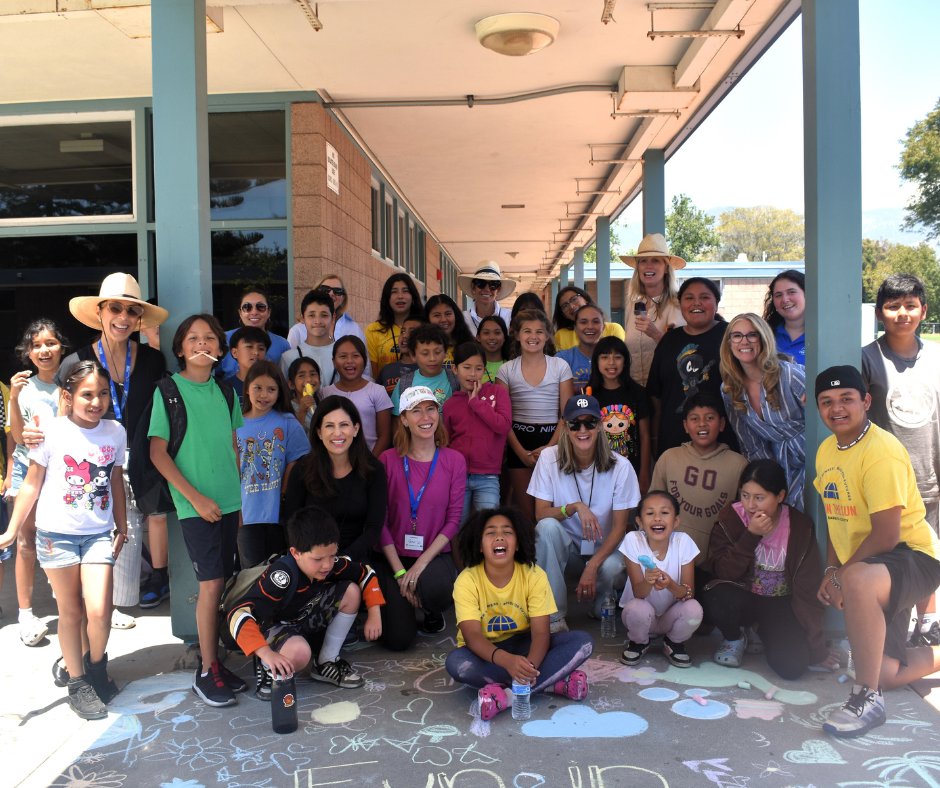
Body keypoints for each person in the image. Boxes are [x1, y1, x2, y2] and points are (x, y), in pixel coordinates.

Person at [814, 365, 940, 738]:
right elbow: (837, 520)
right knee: (887, 672)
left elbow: (886, 536)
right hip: (875, 565)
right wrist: (830, 568)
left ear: (866, 401)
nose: (837, 408)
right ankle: (887, 678)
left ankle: (866, 698)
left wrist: (841, 577)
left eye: (847, 399)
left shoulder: (881, 451)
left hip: (915, 555)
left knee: (858, 581)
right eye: (827, 401)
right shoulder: (826, 450)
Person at [0, 360, 127, 720]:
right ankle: (78, 682)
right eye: (87, 394)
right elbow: (32, 483)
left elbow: (115, 481)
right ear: (68, 397)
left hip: (99, 534)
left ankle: (97, 666)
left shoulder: (115, 431)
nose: (96, 401)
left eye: (103, 393)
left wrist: (123, 526)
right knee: (70, 612)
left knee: (100, 610)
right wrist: (11, 531)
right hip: (57, 537)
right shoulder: (50, 432)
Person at [148, 314, 247, 707]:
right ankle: (207, 670)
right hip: (196, 506)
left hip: (229, 503)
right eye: (193, 338)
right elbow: (158, 453)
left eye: (210, 338)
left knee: (223, 583)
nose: (201, 343)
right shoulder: (168, 391)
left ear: (221, 349)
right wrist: (195, 497)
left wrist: (237, 498)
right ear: (180, 349)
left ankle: (218, 664)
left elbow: (234, 447)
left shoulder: (227, 394)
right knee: (210, 585)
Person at [64, 274, 171, 621]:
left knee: (133, 534)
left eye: (131, 310)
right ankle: (94, 620)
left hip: (142, 463)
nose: (122, 317)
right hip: (93, 469)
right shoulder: (76, 362)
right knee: (95, 542)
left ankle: (119, 607)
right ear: (100, 311)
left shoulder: (154, 361)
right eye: (115, 308)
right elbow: (62, 419)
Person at [445, 507, 592, 721]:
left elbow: (541, 633)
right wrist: (506, 661)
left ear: (518, 542)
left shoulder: (534, 574)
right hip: (486, 653)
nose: (499, 537)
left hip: (526, 646)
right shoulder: (466, 580)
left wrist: (527, 667)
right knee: (456, 662)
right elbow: (472, 636)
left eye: (507, 532)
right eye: (491, 533)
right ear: (479, 545)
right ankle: (552, 684)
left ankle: (507, 696)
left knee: (583, 642)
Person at [227, 506, 384, 699]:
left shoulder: (330, 563)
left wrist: (374, 613)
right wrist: (266, 653)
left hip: (302, 620)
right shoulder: (281, 576)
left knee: (351, 591)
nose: (327, 565)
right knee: (300, 654)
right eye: (317, 559)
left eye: (332, 555)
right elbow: (237, 613)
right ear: (295, 553)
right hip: (274, 629)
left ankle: (327, 662)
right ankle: (268, 667)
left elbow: (365, 573)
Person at [862, 274, 940, 643]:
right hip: (889, 484)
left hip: (930, 476)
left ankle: (928, 622)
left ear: (923, 310)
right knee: (896, 556)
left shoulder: (937, 357)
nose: (902, 313)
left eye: (910, 305)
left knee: (929, 550)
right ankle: (895, 628)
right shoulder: (867, 359)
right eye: (893, 306)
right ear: (880, 314)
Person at [702, 460, 832, 677]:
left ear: (780, 496)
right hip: (742, 595)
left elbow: (807, 589)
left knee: (792, 668)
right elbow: (722, 571)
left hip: (780, 604)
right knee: (714, 593)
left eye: (759, 498)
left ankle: (760, 632)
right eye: (745, 495)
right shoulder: (731, 518)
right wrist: (751, 535)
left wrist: (817, 648)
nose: (750, 505)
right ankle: (735, 637)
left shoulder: (799, 526)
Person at [529, 394, 640, 633]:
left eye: (589, 422)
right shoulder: (549, 458)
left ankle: (606, 594)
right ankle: (554, 616)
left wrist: (592, 567)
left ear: (600, 426)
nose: (583, 429)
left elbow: (621, 527)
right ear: (565, 427)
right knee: (546, 528)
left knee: (604, 607)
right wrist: (575, 507)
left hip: (604, 553)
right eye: (575, 424)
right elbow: (540, 514)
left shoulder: (621, 466)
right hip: (568, 552)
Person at [378, 386, 466, 649]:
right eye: (416, 411)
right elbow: (379, 522)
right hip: (393, 555)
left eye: (430, 409)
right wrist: (400, 573)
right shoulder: (387, 460)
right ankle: (404, 602)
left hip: (433, 554)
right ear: (403, 418)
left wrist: (417, 568)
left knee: (436, 590)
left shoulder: (454, 460)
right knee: (399, 640)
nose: (425, 417)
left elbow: (453, 520)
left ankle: (429, 607)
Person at [6, 319, 68, 646]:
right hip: (27, 472)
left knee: (60, 540)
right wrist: (14, 398)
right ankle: (26, 614)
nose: (44, 350)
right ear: (28, 353)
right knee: (26, 542)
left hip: (62, 474)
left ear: (61, 347)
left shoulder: (72, 384)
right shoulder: (23, 390)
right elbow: (17, 437)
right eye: (37, 345)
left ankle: (70, 603)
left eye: (51, 343)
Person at [283, 395, 387, 564]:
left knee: (351, 591)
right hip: (308, 560)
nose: (337, 433)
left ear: (356, 429)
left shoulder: (373, 470)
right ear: (319, 432)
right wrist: (314, 559)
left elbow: (374, 529)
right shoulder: (302, 469)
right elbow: (290, 523)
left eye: (344, 425)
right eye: (329, 426)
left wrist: (343, 560)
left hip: (354, 560)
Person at [719, 313, 806, 509]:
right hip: (778, 466)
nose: (744, 341)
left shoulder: (789, 374)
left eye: (752, 335)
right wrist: (767, 481)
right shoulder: (729, 389)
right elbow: (750, 443)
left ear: (763, 338)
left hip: (814, 458)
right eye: (737, 336)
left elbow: (822, 416)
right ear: (729, 343)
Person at [650, 394, 748, 567]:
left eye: (710, 418)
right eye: (694, 419)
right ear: (686, 426)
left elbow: (745, 517)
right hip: (669, 559)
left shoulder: (739, 464)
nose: (702, 424)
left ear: (722, 424)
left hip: (716, 562)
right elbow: (651, 510)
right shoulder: (668, 458)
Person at [497, 309, 573, 520]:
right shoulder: (506, 370)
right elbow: (503, 418)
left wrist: (549, 448)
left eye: (539, 331)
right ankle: (530, 553)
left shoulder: (560, 366)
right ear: (517, 334)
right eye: (527, 331)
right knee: (526, 514)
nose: (533, 337)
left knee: (550, 513)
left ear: (548, 335)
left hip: (554, 440)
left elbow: (566, 414)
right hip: (518, 442)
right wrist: (521, 453)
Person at [646, 277, 735, 456]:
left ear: (716, 304)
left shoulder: (732, 336)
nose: (696, 303)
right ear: (680, 305)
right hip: (673, 442)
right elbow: (656, 395)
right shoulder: (669, 341)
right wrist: (654, 439)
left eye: (704, 297)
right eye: (689, 298)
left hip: (724, 443)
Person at [236, 360, 309, 568]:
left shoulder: (287, 421)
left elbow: (296, 461)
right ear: (247, 388)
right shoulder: (236, 424)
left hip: (280, 514)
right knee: (251, 575)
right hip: (246, 514)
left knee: (281, 572)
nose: (263, 395)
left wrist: (285, 491)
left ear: (280, 392)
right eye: (257, 388)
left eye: (271, 389)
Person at [618, 490, 702, 668]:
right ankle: (639, 642)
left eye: (664, 513)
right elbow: (638, 593)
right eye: (650, 513)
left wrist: (670, 584)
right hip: (641, 616)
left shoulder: (684, 542)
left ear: (676, 521)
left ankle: (673, 642)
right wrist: (648, 581)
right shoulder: (633, 540)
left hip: (671, 617)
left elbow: (688, 593)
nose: (657, 518)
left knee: (694, 610)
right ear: (639, 522)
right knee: (635, 608)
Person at [442, 342, 512, 518]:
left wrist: (476, 403)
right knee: (458, 527)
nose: (473, 374)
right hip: (457, 476)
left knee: (487, 523)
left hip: (488, 476)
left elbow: (503, 425)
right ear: (454, 369)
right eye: (466, 367)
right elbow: (446, 441)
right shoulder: (451, 404)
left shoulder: (497, 392)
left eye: (478, 368)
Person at [619, 233, 686, 386]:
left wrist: (655, 334)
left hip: (667, 389)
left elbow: (684, 352)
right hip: (635, 391)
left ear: (666, 268)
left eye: (656, 261)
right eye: (643, 261)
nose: (648, 266)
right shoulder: (632, 305)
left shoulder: (677, 304)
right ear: (638, 268)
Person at [589, 337, 651, 491]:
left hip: (631, 469)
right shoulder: (589, 395)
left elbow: (644, 435)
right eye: (604, 357)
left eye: (617, 357)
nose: (611, 363)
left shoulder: (638, 393)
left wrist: (644, 473)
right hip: (598, 470)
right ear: (596, 362)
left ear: (625, 361)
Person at [321, 336, 393, 456]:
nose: (350, 361)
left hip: (369, 463)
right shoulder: (325, 394)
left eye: (355, 356)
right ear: (334, 362)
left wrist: (370, 463)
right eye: (343, 356)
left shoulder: (377, 391)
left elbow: (385, 436)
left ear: (364, 360)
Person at [218, 286, 291, 379]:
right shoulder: (224, 339)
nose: (254, 312)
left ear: (269, 312)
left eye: (260, 307)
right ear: (240, 313)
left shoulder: (282, 345)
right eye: (247, 307)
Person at [365, 273, 424, 379]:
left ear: (413, 296)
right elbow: (373, 375)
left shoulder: (425, 327)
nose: (400, 296)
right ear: (387, 298)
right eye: (394, 292)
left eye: (405, 291)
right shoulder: (373, 330)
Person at [390, 324, 458, 414]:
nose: (432, 358)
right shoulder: (404, 383)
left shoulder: (456, 380)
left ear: (445, 353)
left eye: (437, 352)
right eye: (425, 353)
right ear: (413, 355)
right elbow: (397, 420)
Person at [288, 274, 366, 349]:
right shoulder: (297, 331)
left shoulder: (354, 329)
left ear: (343, 298)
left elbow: (364, 361)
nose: (331, 294)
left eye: (337, 291)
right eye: (325, 289)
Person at [280, 289, 335, 386]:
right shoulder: (289, 358)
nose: (318, 321)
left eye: (324, 315)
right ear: (302, 318)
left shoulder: (344, 355)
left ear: (333, 317)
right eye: (311, 315)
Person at [551, 286, 625, 351]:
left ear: (585, 298)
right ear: (563, 314)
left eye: (574, 299)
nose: (571, 306)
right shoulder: (561, 336)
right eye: (565, 305)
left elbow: (617, 359)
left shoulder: (613, 329)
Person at [557, 304, 606, 392]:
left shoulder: (613, 359)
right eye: (583, 322)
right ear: (575, 328)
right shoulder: (562, 359)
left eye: (595, 322)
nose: (590, 327)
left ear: (604, 327)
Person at [457, 261, 515, 334]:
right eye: (481, 283)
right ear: (473, 287)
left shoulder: (509, 317)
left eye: (493, 284)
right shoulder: (462, 319)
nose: (487, 289)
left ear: (498, 289)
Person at [763, 270, 805, 365]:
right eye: (778, 295)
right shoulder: (765, 335)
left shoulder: (824, 335)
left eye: (791, 292)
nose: (785, 299)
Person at [378, 316, 424, 396]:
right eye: (402, 331)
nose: (405, 336)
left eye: (412, 332)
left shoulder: (427, 370)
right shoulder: (387, 370)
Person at [222, 326, 270, 404]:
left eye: (261, 348)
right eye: (249, 347)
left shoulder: (273, 385)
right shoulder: (225, 388)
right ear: (234, 352)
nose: (256, 352)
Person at [424, 294, 475, 364]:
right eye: (437, 315)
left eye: (448, 314)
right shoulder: (421, 347)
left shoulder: (471, 346)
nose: (443, 320)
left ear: (456, 316)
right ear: (427, 319)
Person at [286, 356, 320, 432]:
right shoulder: (287, 408)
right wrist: (302, 411)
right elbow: (292, 434)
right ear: (291, 384)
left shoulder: (323, 401)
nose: (308, 379)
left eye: (313, 374)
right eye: (301, 376)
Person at [476, 315, 510, 383]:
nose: (491, 337)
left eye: (497, 333)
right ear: (478, 337)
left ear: (504, 338)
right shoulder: (472, 365)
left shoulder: (512, 366)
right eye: (486, 333)